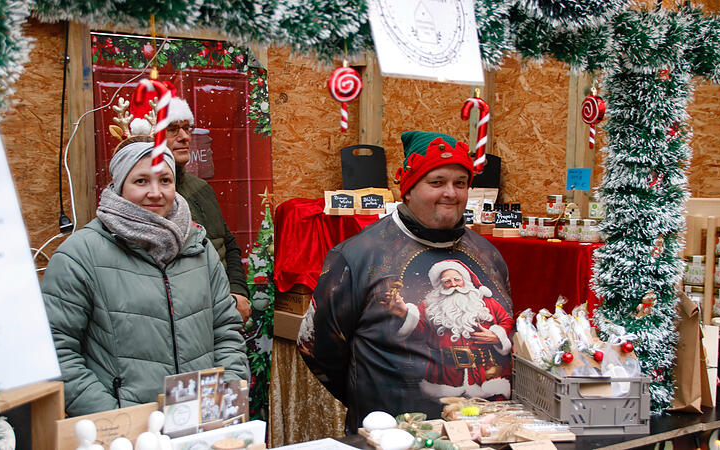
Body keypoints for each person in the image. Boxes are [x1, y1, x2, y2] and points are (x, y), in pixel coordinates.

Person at [297, 130, 513, 431]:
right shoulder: (358, 256)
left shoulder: (487, 255)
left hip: (482, 432)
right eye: (436, 182)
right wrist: (370, 399)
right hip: (393, 436)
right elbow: (317, 348)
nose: (450, 193)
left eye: (460, 183)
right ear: (408, 189)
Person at [42, 138, 249, 416]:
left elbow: (226, 331)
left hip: (199, 419)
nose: (155, 192)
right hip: (126, 431)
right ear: (119, 186)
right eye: (141, 181)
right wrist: (114, 417)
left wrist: (224, 397)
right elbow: (58, 351)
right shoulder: (80, 256)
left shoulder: (198, 247)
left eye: (165, 180)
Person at [166, 98, 252, 323]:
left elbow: (229, 244)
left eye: (186, 128)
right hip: (189, 317)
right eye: (173, 129)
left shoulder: (201, 188)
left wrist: (237, 292)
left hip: (225, 309)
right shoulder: (152, 200)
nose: (184, 137)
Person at [385, 259, 513, 400]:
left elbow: (506, 321)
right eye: (447, 281)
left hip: (484, 374)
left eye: (457, 279)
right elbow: (419, 331)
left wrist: (497, 336)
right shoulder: (430, 306)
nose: (453, 284)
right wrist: (404, 313)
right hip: (445, 376)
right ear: (441, 285)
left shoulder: (484, 301)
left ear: (464, 280)